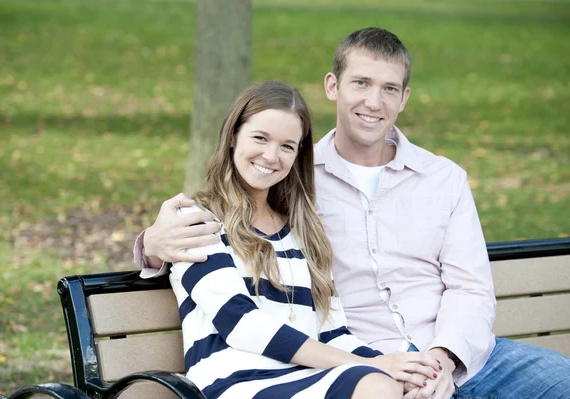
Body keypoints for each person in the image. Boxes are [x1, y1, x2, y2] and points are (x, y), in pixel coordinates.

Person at [136, 29, 570, 399]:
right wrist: (152, 246)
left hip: (459, 357)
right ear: (333, 86)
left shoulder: (443, 179)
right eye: (360, 83)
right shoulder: (298, 182)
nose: (373, 102)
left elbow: (470, 289)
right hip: (361, 361)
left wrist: (441, 360)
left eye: (389, 89)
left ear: (404, 98)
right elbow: (223, 240)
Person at [142, 80, 441, 399]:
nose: (271, 156)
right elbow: (242, 325)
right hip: (233, 383)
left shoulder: (304, 233)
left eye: (287, 146)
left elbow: (333, 333)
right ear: (232, 137)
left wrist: (396, 367)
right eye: (260, 138)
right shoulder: (197, 221)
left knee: (403, 386)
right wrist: (375, 368)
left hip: (305, 379)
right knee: (379, 384)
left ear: (298, 155)